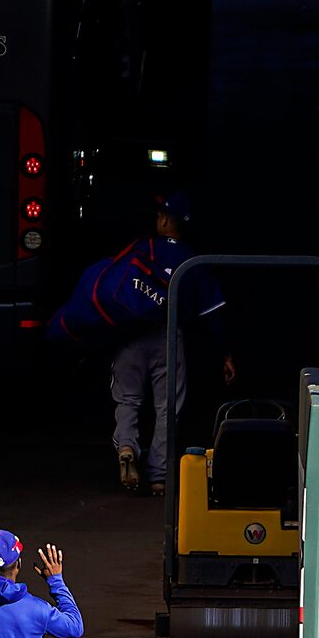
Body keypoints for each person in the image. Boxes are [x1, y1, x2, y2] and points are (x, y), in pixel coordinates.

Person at [107, 193, 234, 498]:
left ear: (163, 220)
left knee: (128, 400)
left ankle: (126, 446)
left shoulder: (139, 250)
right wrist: (225, 354)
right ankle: (159, 477)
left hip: (130, 334)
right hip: (168, 336)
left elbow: (110, 287)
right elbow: (213, 313)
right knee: (168, 409)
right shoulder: (193, 260)